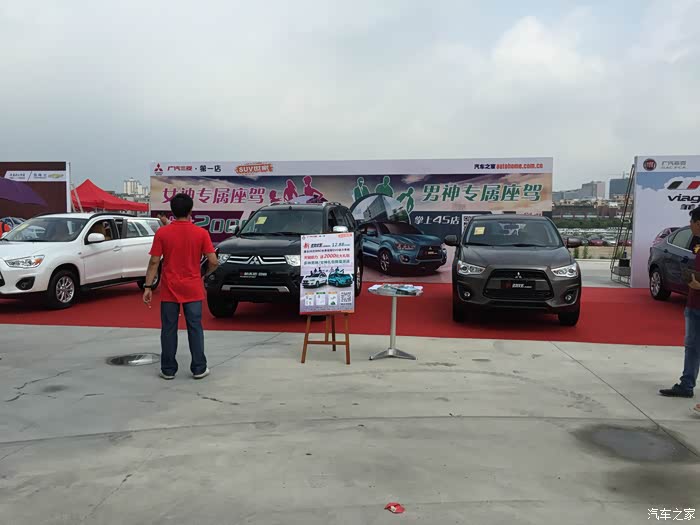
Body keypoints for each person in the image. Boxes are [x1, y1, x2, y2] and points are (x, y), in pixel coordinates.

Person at [143, 193, 219, 380]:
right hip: (193, 287)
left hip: (170, 288)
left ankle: (168, 370)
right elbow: (213, 261)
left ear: (172, 211)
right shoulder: (201, 233)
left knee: (168, 329)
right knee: (195, 328)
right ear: (190, 210)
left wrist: (148, 286)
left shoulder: (163, 233)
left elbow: (154, 261)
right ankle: (199, 368)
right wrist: (203, 275)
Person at [660, 207, 700, 403]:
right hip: (693, 303)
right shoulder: (697, 244)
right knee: (692, 346)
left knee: (693, 346)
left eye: (691, 222)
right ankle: (686, 385)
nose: (689, 226)